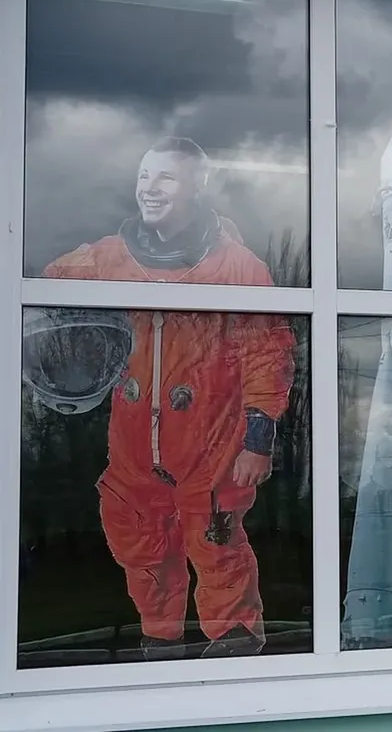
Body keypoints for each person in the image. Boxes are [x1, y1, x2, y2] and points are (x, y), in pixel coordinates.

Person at [41, 136, 296, 660]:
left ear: (197, 185)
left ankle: (235, 640)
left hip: (211, 444)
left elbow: (266, 353)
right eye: (143, 176)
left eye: (165, 177)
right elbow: (43, 294)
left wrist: (257, 439)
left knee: (216, 542)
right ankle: (160, 641)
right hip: (134, 446)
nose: (149, 188)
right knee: (139, 541)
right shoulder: (107, 259)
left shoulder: (237, 268)